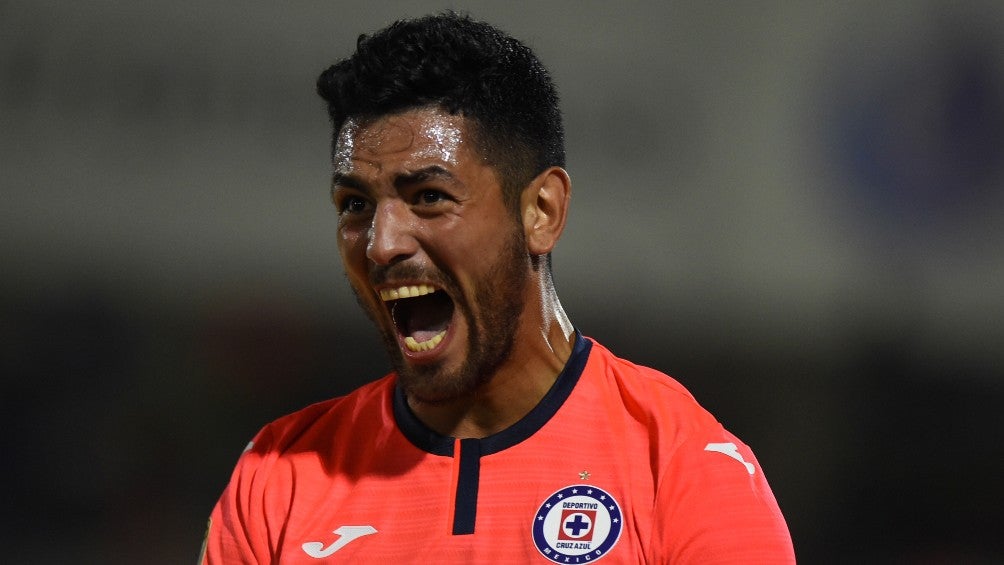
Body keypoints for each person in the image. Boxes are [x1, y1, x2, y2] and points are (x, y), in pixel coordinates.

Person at [202, 12, 795, 563]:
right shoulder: (278, 479)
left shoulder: (683, 470)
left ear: (541, 210)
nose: (381, 245)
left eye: (429, 197)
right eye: (355, 204)